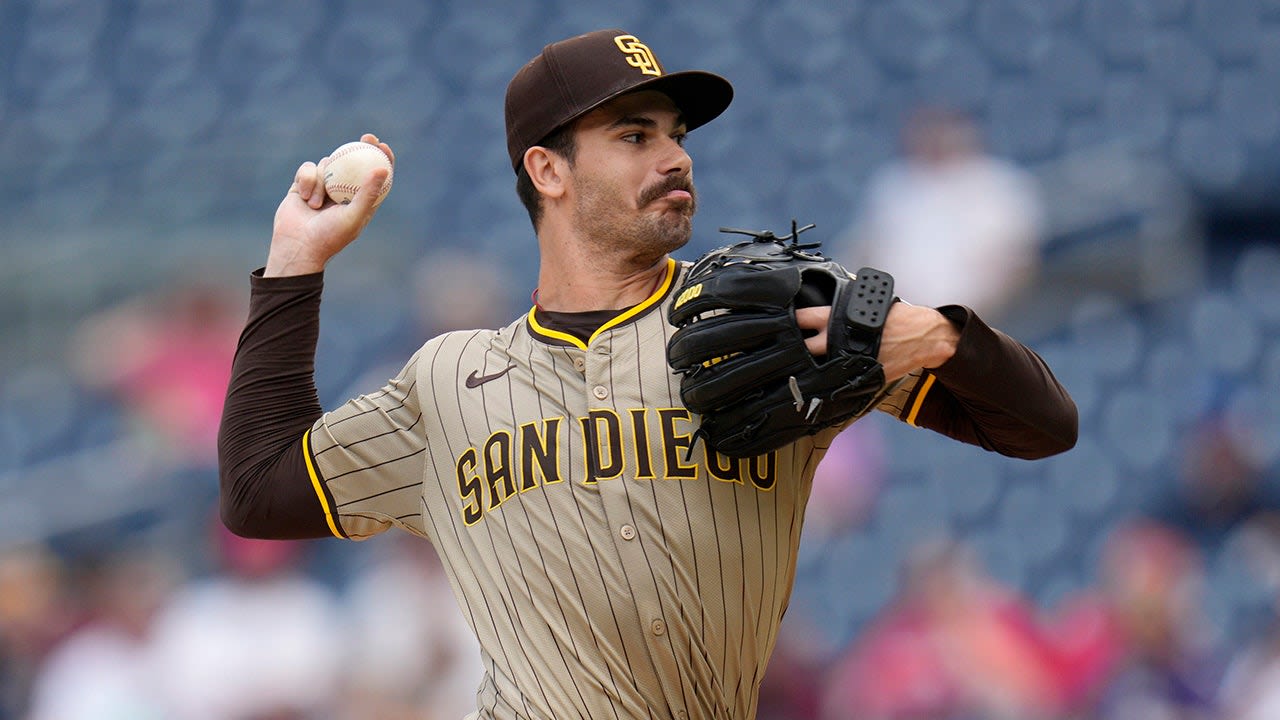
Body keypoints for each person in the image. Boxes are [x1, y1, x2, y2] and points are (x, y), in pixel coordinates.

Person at [218, 28, 1078, 719]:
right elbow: (257, 492)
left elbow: (1047, 427)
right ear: (547, 170)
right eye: (635, 135)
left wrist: (939, 336)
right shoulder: (448, 379)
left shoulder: (771, 319)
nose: (675, 156)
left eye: (676, 134)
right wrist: (294, 262)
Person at [836, 105, 1046, 325]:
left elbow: (1019, 265)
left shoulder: (1000, 183)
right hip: (901, 320)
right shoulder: (892, 184)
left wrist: (972, 323)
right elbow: (865, 252)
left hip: (978, 321)